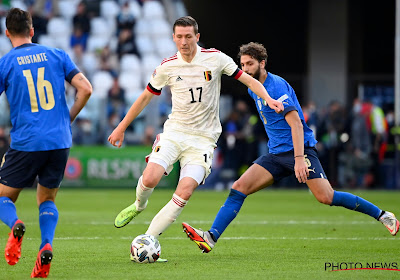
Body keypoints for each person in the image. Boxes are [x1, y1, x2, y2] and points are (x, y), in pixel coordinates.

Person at [182, 42, 399, 253]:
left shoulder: (276, 86)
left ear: (262, 63)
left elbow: (295, 123)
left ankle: (382, 215)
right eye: (242, 65)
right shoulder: (253, 89)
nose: (245, 69)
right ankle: (211, 237)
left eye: (249, 64)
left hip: (299, 151)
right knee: (239, 188)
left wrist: (298, 159)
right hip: (275, 154)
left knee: (327, 197)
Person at [108, 17, 283, 258]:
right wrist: (121, 127)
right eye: (179, 37)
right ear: (173, 38)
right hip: (175, 133)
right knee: (150, 178)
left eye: (188, 36)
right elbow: (145, 97)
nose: (184, 41)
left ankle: (149, 239)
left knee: (185, 191)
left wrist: (269, 99)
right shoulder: (167, 66)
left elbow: (249, 80)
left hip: (203, 139)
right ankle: (139, 205)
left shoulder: (216, 58)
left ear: (197, 37)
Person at [0, 8, 92, 278]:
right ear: (32, 31)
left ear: (7, 34)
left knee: (4, 198)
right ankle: (46, 245)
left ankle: (16, 224)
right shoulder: (57, 55)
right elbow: (86, 88)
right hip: (59, 140)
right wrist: (67, 119)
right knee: (47, 198)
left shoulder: (6, 62)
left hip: (27, 141)